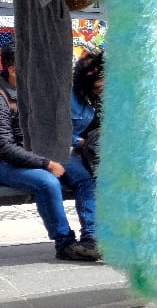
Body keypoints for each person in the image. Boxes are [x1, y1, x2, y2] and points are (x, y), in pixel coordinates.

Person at [0, 45, 99, 261]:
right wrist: (46, 163)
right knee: (47, 182)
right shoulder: (2, 97)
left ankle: (92, 238)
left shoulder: (34, 90)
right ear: (13, 69)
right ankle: (64, 243)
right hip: (7, 162)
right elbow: (5, 147)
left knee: (84, 178)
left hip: (41, 151)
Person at [71, 50, 103, 176]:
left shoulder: (109, 94)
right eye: (92, 71)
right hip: (76, 149)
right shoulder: (69, 98)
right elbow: (56, 133)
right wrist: (82, 142)